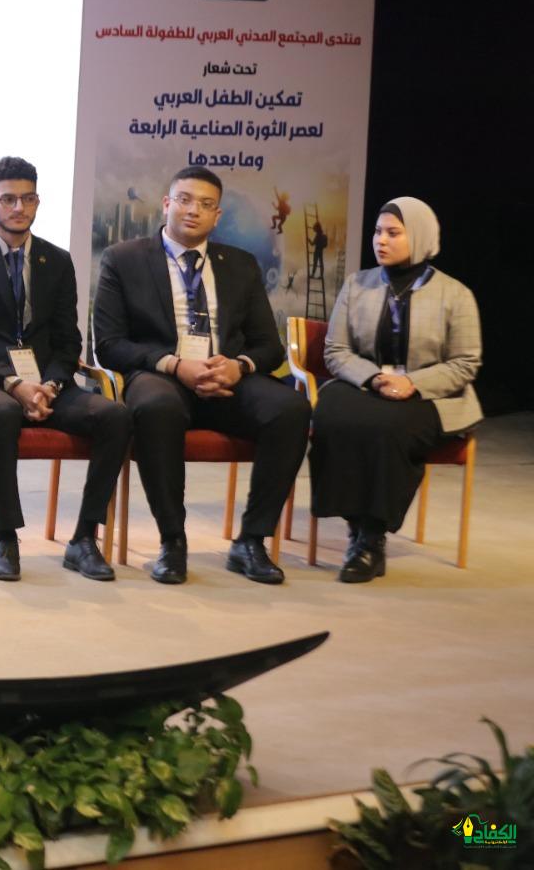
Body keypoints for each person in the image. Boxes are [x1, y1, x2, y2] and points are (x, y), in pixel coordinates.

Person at [93, 167, 310, 585]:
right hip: (162, 374)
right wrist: (176, 365)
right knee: (156, 408)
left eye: (206, 204)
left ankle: (251, 540)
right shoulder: (124, 259)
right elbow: (109, 344)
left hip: (226, 377)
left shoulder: (240, 265)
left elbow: (269, 346)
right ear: (167, 204)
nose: (194, 210)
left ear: (217, 215)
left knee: (291, 409)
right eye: (185, 200)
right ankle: (172, 540)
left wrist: (237, 366)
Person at [0, 157, 130, 582]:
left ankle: (84, 538)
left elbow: (68, 340)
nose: (18, 208)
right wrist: (14, 385)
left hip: (47, 382)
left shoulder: (57, 260)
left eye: (27, 199)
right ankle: (6, 538)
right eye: (8, 199)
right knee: (3, 412)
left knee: (115, 415)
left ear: (38, 202)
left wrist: (50, 385)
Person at [309, 198, 481, 582]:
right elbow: (336, 350)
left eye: (393, 233)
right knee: (330, 414)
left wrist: (412, 383)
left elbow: (465, 363)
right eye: (377, 231)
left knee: (388, 428)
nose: (380, 240)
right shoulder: (357, 284)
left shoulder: (456, 294)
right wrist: (374, 378)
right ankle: (356, 524)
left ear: (419, 236)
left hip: (429, 395)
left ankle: (371, 540)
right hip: (366, 383)